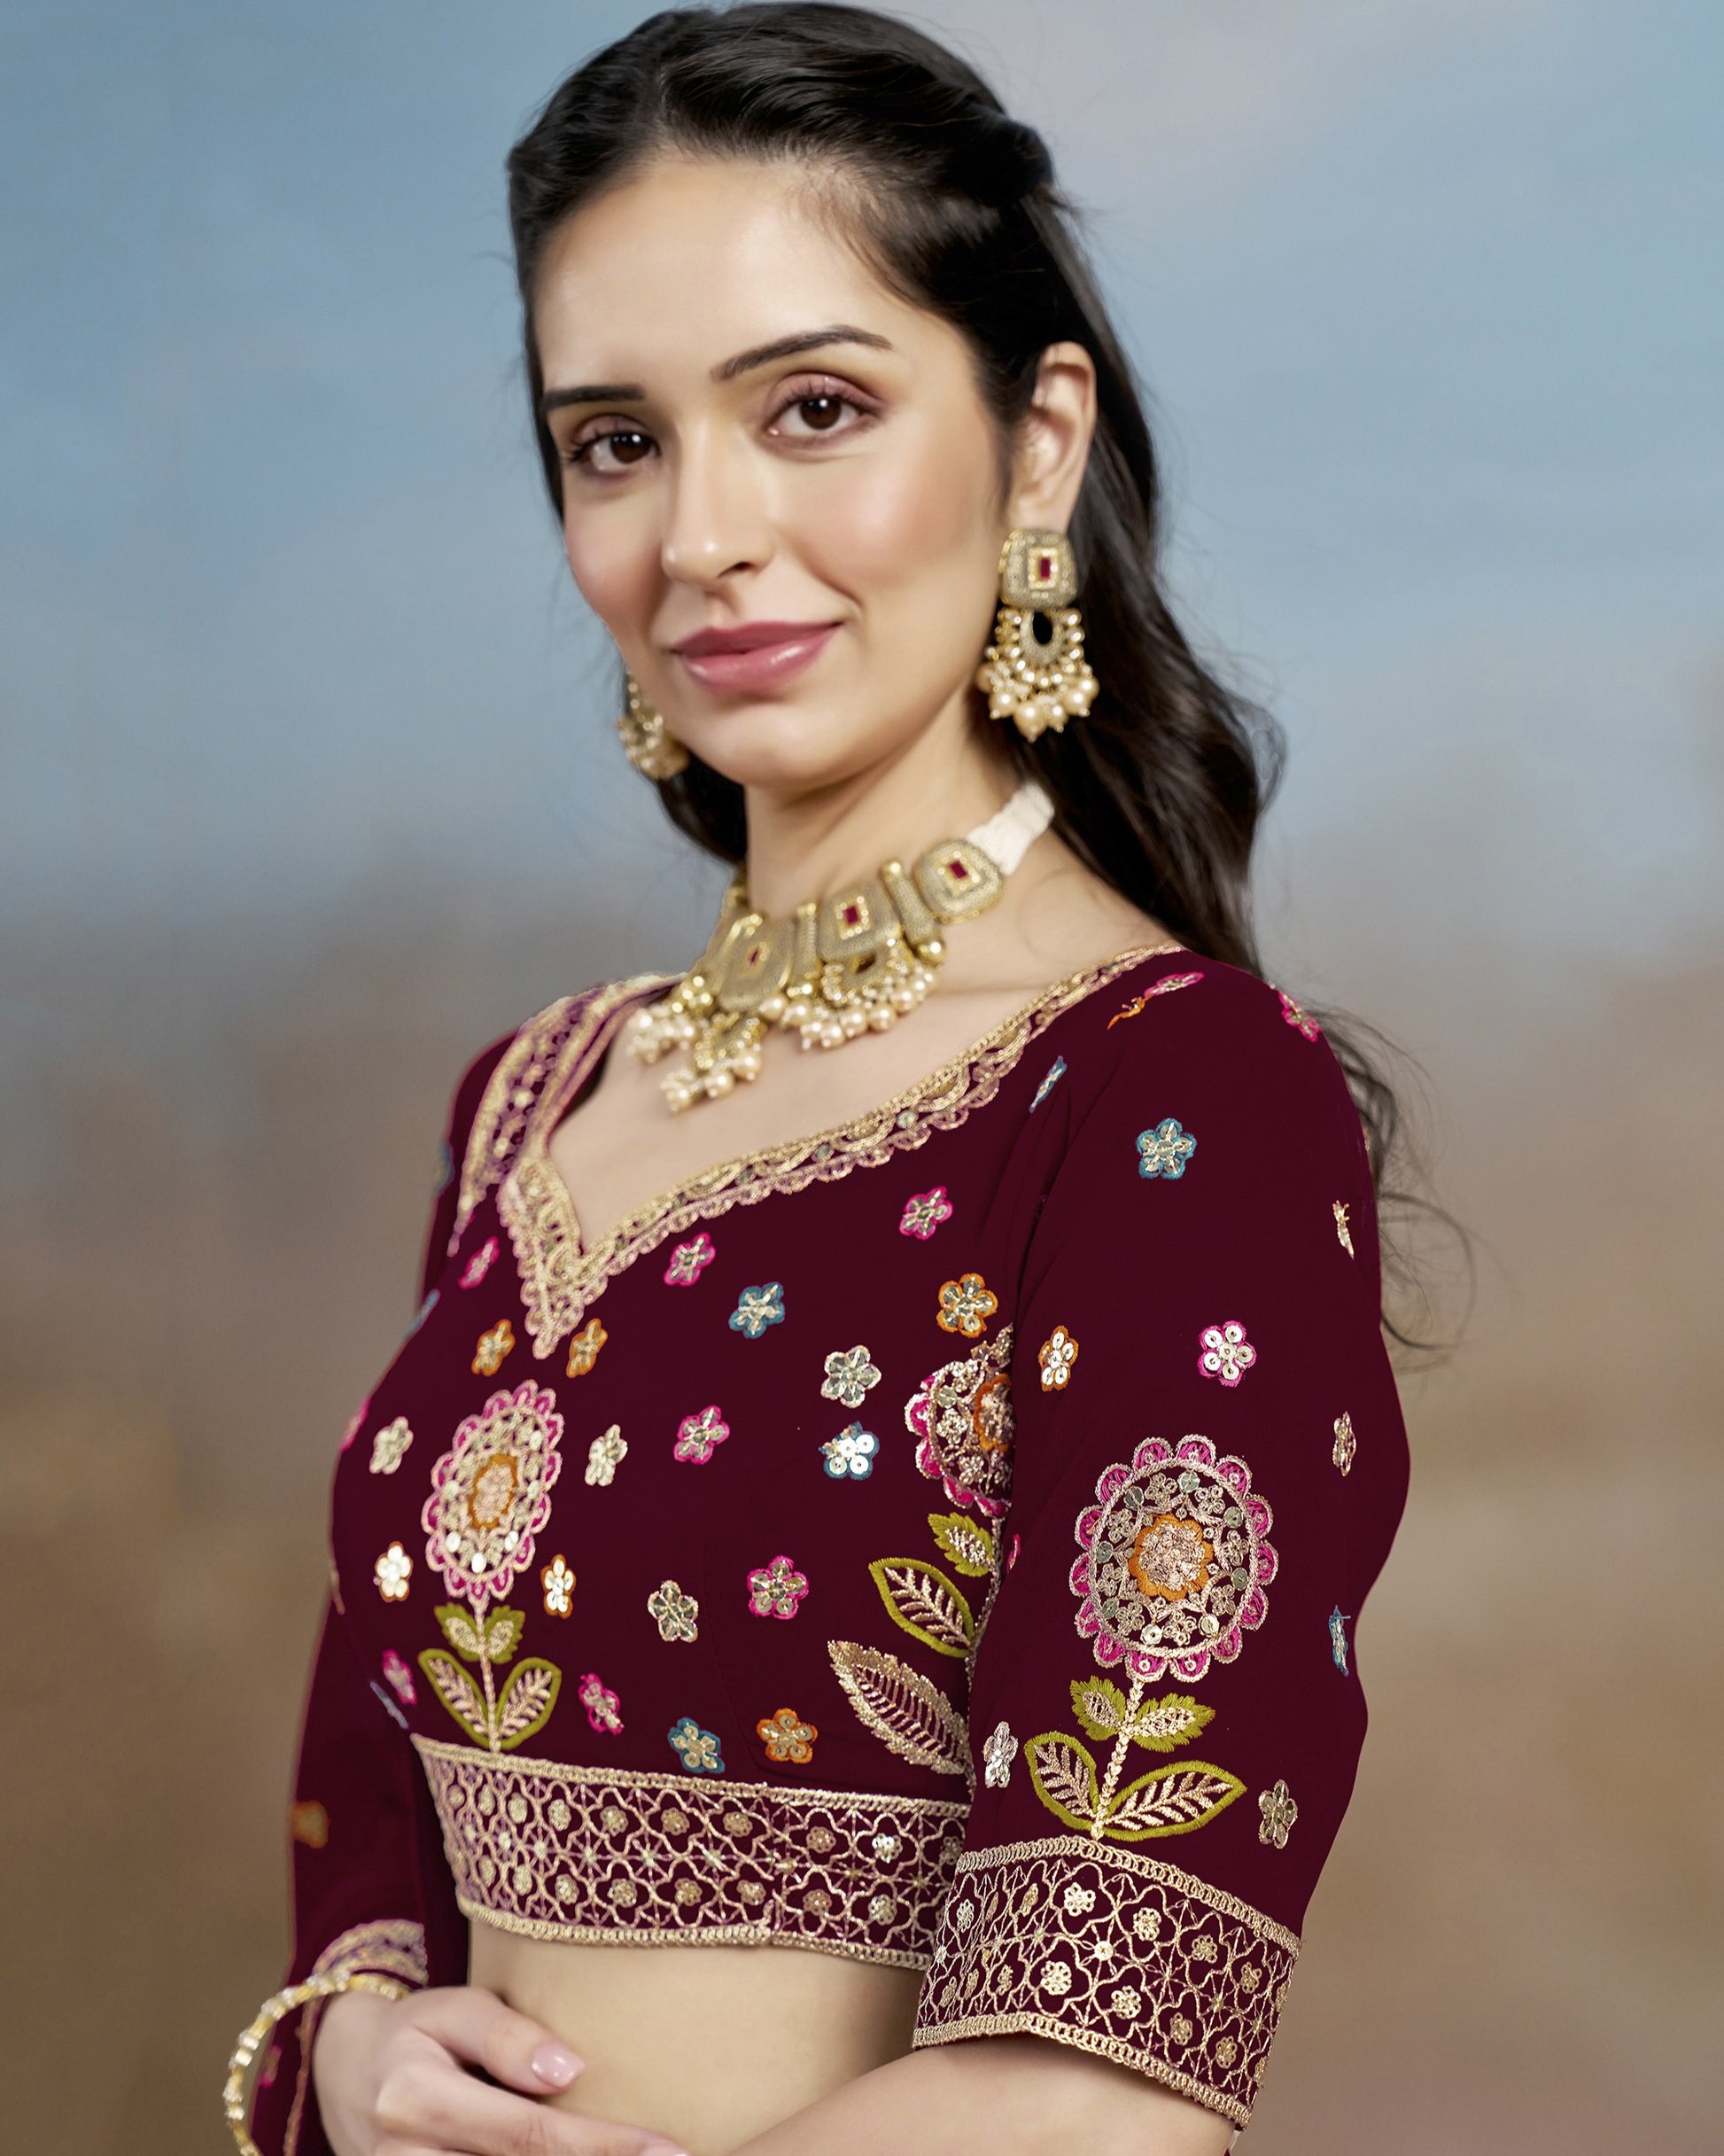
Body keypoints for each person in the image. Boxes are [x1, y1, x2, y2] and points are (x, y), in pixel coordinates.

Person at [225, 8, 1410, 2152]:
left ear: (1036, 439)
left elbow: (1094, 2074)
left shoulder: (1167, 1103)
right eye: (614, 442)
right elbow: (370, 1800)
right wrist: (355, 2032)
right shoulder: (531, 1101)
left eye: (812, 409)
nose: (704, 534)